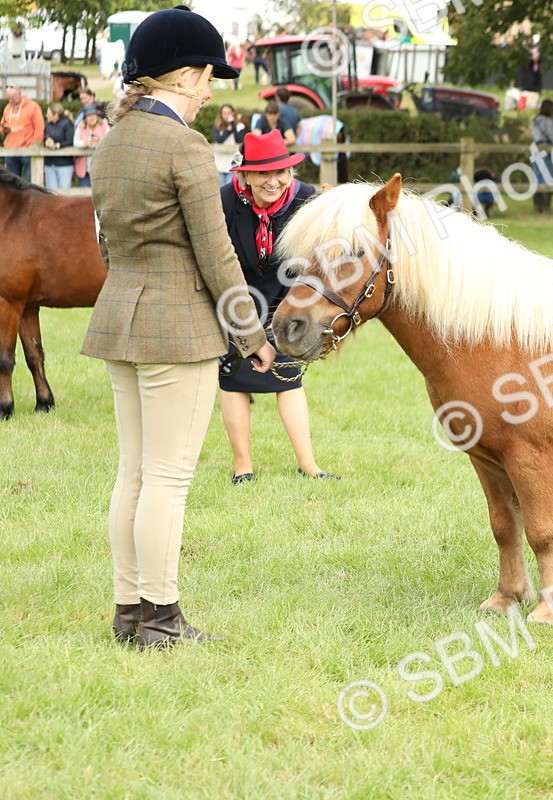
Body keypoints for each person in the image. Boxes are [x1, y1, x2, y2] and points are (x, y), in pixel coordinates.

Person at [82, 6, 276, 650]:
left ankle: (128, 612)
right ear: (185, 76)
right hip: (176, 328)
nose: (210, 90)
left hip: (120, 316)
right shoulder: (184, 146)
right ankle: (161, 619)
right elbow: (218, 256)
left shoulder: (111, 142)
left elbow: (107, 243)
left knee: (134, 473)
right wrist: (252, 336)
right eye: (208, 77)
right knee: (167, 478)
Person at [219, 130, 336, 484]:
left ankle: (309, 465)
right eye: (263, 173)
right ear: (246, 175)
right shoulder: (224, 201)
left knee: (289, 379)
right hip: (238, 301)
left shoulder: (307, 200)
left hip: (287, 302)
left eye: (280, 172)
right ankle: (243, 467)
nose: (273, 181)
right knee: (234, 381)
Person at [2, 83, 45, 181]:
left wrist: (34, 144)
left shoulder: (33, 107)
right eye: (9, 98)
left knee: (29, 181)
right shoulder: (7, 108)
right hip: (10, 150)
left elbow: (39, 127)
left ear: (19, 93)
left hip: (27, 150)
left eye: (13, 97)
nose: (11, 100)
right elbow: (2, 124)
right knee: (11, 182)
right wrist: (4, 130)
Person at [531, 99, 553, 214]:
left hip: (535, 149)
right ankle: (545, 207)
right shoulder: (547, 121)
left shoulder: (536, 120)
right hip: (544, 149)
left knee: (538, 178)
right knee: (547, 178)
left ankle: (537, 205)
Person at [72, 104, 108, 187]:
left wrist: (100, 140)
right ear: (85, 118)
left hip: (100, 168)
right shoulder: (80, 127)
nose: (92, 117)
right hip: (84, 169)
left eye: (93, 115)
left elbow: (109, 141)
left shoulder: (104, 126)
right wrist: (85, 143)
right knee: (84, 192)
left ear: (97, 116)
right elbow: (75, 142)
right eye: (89, 115)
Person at [42, 103, 75, 189]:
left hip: (64, 164)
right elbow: (43, 137)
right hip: (49, 164)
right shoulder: (46, 124)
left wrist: (58, 145)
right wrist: (46, 141)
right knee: (51, 192)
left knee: (64, 192)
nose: (46, 115)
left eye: (48, 113)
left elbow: (70, 141)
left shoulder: (67, 124)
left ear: (55, 115)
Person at [213, 103, 247, 185]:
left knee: (230, 186)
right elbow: (219, 140)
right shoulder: (217, 126)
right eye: (224, 113)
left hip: (232, 164)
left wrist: (232, 125)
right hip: (220, 163)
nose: (227, 115)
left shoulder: (240, 126)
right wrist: (228, 131)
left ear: (233, 113)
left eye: (229, 113)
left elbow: (238, 140)